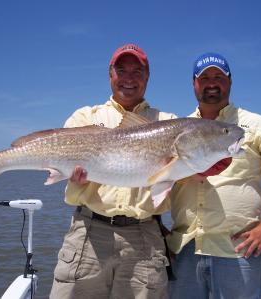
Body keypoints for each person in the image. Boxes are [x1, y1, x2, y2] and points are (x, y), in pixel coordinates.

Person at [167, 52, 261, 299]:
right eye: (204, 78)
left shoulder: (257, 126)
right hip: (185, 249)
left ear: (230, 81)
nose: (211, 83)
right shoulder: (176, 129)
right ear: (194, 84)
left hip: (238, 251)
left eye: (218, 77)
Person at [49, 44, 178, 299]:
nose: (129, 78)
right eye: (122, 70)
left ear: (147, 76)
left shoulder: (168, 121)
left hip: (144, 236)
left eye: (137, 71)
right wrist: (75, 180)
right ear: (110, 75)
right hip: (88, 231)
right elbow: (70, 189)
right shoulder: (85, 117)